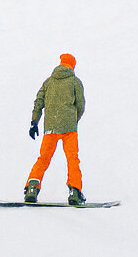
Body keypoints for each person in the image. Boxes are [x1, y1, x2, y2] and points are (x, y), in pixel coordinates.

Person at [25, 54, 88, 206]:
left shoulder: (48, 82)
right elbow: (81, 105)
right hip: (69, 129)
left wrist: (34, 122)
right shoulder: (75, 82)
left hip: (50, 127)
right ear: (72, 66)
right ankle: (74, 191)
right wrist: (73, 120)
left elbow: (39, 101)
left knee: (43, 158)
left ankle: (32, 188)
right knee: (72, 159)